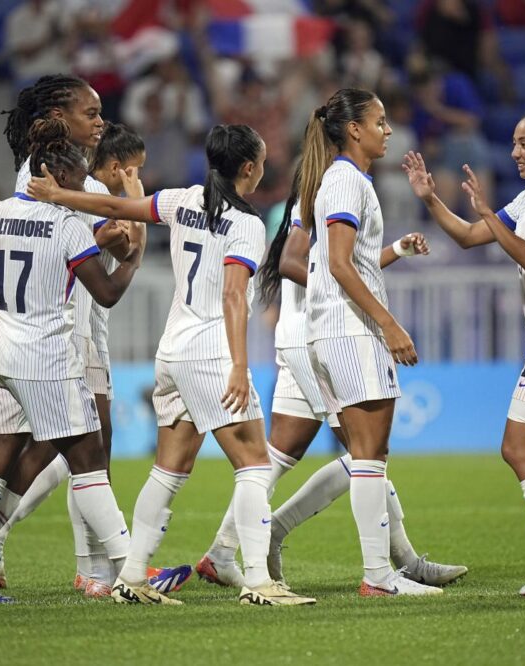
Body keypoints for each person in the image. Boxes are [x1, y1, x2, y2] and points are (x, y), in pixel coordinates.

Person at [28, 124, 317, 606]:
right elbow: (232, 294)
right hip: (210, 351)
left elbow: (117, 207)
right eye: (262, 160)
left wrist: (58, 196)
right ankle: (257, 582)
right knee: (253, 464)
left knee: (168, 468)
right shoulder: (245, 224)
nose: (265, 167)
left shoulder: (183, 200)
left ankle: (133, 576)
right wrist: (240, 367)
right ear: (248, 168)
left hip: (173, 349)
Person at [0, 76, 186, 598]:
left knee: (23, 456)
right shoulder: (69, 190)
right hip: (59, 339)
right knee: (90, 452)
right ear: (58, 118)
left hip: (4, 342)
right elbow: (111, 256)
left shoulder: (5, 201)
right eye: (90, 113)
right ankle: (113, 570)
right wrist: (115, 242)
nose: (100, 122)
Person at [194, 161, 469, 590]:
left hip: (299, 336)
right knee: (367, 454)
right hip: (314, 338)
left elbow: (339, 267)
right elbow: (294, 262)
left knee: (282, 454)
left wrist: (395, 250)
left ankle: (222, 550)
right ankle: (393, 562)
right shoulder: (322, 197)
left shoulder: (322, 198)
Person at [404, 105, 525, 597]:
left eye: (524, 143)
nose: (514, 152)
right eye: (513, 143)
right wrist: (432, 201)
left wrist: (490, 213)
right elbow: (474, 237)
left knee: (515, 448)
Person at [0, 119, 144, 604]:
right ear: (51, 178)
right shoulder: (65, 225)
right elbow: (107, 294)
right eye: (76, 182)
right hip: (43, 357)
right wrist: (132, 263)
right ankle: (130, 571)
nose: (81, 191)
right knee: (89, 461)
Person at [293, 88, 440, 597]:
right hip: (349, 330)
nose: (389, 129)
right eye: (380, 120)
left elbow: (348, 262)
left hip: (337, 328)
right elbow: (337, 264)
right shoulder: (342, 180)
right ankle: (378, 575)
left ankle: (380, 569)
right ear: (354, 128)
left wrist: (395, 250)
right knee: (371, 455)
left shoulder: (344, 180)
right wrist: (389, 324)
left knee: (365, 455)